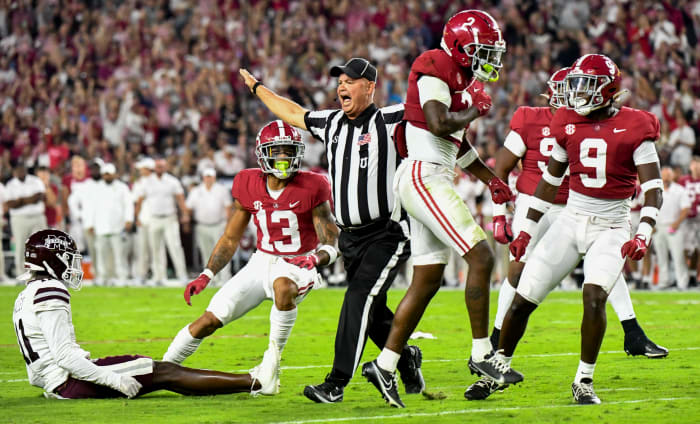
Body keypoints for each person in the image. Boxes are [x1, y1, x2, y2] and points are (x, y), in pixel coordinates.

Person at [465, 67, 669, 401]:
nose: (577, 92)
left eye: (586, 85)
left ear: (607, 89)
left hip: (611, 227)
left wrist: (643, 232)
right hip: (570, 220)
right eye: (576, 84)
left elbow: (654, 188)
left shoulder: (636, 124)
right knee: (522, 299)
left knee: (593, 298)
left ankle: (584, 381)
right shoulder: (567, 122)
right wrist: (526, 232)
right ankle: (498, 366)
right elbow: (548, 182)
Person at [240, 57, 425, 404]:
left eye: (350, 81)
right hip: (350, 236)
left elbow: (429, 106)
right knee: (372, 314)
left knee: (357, 299)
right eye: (339, 80)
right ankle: (406, 357)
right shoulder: (332, 122)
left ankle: (336, 383)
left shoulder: (390, 118)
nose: (341, 86)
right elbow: (292, 113)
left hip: (386, 232)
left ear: (370, 87)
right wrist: (256, 87)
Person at [360, 10, 512, 408]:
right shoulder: (435, 64)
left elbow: (455, 144)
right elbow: (439, 122)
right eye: (482, 50)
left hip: (434, 173)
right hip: (423, 175)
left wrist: (491, 179)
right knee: (480, 257)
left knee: (427, 279)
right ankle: (482, 355)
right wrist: (476, 110)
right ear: (461, 45)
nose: (488, 58)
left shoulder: (462, 78)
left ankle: (386, 364)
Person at [163, 121, 338, 395]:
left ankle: (271, 364)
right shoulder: (247, 182)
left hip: (298, 262)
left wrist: (316, 259)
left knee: (283, 286)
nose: (284, 158)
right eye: (277, 151)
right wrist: (207, 274)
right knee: (209, 319)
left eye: (289, 151)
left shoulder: (313, 184)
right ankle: (161, 369)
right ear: (263, 154)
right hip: (260, 261)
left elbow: (331, 239)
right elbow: (231, 237)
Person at [12, 229, 279, 399]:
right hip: (70, 382)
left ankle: (250, 381)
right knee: (165, 371)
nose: (73, 265)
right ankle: (255, 381)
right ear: (52, 259)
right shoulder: (51, 290)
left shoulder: (26, 294)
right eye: (68, 258)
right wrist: (113, 379)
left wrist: (52, 383)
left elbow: (38, 370)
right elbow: (64, 356)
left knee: (162, 374)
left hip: (58, 383)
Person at [134, 158, 189, 284]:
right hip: (154, 218)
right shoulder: (147, 182)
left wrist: (185, 213)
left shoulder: (172, 181)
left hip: (170, 218)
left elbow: (180, 199)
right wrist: (136, 216)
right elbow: (140, 200)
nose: (160, 169)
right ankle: (159, 277)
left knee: (175, 246)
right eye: (158, 166)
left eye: (162, 166)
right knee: (155, 248)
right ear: (154, 168)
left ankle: (182, 275)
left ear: (166, 168)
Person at [85, 163, 134, 286]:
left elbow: (128, 204)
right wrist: (90, 223)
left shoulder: (122, 187)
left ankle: (121, 277)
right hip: (100, 227)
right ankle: (103, 277)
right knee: (101, 255)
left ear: (114, 174)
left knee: (119, 255)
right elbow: (91, 207)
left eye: (109, 174)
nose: (107, 176)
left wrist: (129, 219)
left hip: (117, 226)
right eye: (105, 174)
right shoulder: (96, 189)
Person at [185, 168, 233, 285]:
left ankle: (225, 278)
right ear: (203, 177)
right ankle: (211, 279)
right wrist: (186, 220)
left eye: (210, 176)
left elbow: (228, 207)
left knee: (222, 252)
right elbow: (189, 207)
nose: (208, 178)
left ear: (214, 177)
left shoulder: (221, 190)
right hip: (202, 225)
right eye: (206, 176)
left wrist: (228, 224)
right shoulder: (196, 191)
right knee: (206, 252)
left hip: (219, 224)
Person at [5, 163, 47, 278]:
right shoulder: (10, 185)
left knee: (40, 246)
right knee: (20, 246)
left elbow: (40, 196)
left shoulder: (35, 180)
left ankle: (41, 273)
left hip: (37, 217)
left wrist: (21, 200)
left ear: (25, 170)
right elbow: (10, 204)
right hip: (19, 219)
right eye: (18, 170)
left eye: (22, 169)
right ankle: (21, 274)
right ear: (14, 172)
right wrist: (30, 199)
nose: (21, 172)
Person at [654, 166, 690, 290]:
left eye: (668, 175)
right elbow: (647, 206)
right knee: (661, 256)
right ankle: (664, 282)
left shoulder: (680, 190)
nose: (666, 178)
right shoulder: (655, 190)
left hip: (675, 227)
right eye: (663, 175)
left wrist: (677, 223)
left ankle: (682, 283)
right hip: (658, 227)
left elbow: (686, 208)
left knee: (678, 256)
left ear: (672, 176)